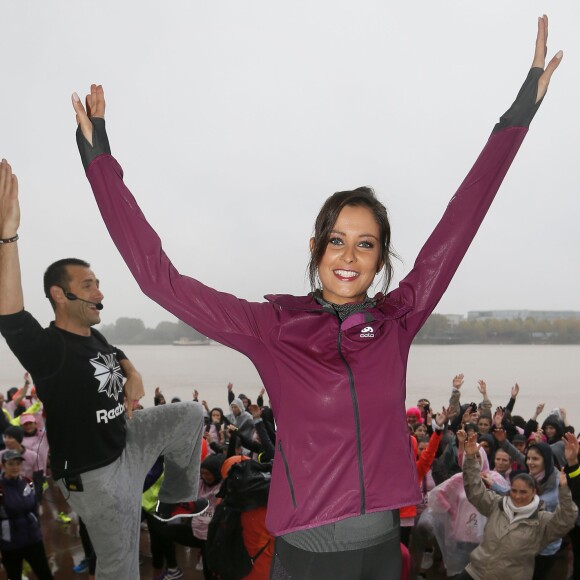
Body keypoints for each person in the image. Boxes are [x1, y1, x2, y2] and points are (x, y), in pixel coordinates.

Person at [70, 16, 561, 580]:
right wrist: (99, 161)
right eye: (336, 240)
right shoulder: (272, 328)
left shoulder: (397, 320)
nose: (349, 256)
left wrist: (519, 112)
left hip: (380, 549)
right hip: (306, 556)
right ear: (316, 247)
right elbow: (161, 280)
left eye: (365, 244)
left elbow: (460, 223)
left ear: (380, 259)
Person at [0, 172, 207, 579]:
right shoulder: (49, 349)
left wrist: (132, 370)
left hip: (127, 443)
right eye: (89, 285)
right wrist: (8, 237)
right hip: (94, 475)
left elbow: (117, 353)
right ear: (61, 295)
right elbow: (9, 315)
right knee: (121, 565)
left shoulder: (93, 335)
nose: (99, 293)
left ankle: (175, 500)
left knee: (191, 413)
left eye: (97, 284)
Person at [457, 433, 577, 580]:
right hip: (476, 573)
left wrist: (565, 488)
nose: (518, 496)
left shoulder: (541, 520)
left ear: (534, 492)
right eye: (514, 491)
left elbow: (566, 519)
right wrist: (470, 459)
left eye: (524, 492)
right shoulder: (498, 505)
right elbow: (475, 491)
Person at [0, 449, 54, 579]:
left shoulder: (27, 482)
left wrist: (37, 529)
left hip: (33, 539)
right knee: (14, 576)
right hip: (10, 544)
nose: (15, 467)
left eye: (18, 463)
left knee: (45, 574)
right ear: (3, 466)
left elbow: (34, 507)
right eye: (11, 464)